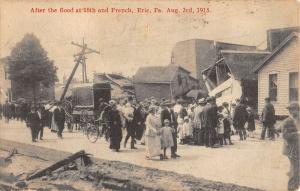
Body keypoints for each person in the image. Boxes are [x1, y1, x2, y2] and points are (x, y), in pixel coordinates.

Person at [281, 102, 299, 191]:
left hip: (297, 147)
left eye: (294, 110)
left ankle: (296, 184)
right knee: (294, 167)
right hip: (291, 149)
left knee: (297, 167)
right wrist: (297, 134)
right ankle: (291, 187)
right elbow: (285, 135)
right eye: (291, 110)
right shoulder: (286, 122)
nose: (292, 112)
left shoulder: (298, 120)